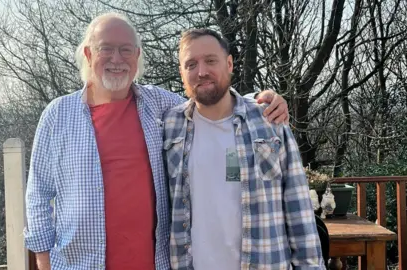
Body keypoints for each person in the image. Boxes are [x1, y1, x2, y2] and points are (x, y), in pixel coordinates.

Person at [24, 12, 290, 270]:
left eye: (126, 49)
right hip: (80, 265)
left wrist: (259, 100)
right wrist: (44, 262)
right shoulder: (58, 115)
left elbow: (210, 100)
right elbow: (38, 194)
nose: (116, 59)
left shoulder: (160, 105)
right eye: (106, 48)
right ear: (88, 54)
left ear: (137, 56)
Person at [163, 28, 325, 269]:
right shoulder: (169, 125)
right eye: (191, 64)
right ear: (182, 72)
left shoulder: (269, 119)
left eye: (210, 60)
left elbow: (298, 204)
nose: (202, 71)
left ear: (229, 64)